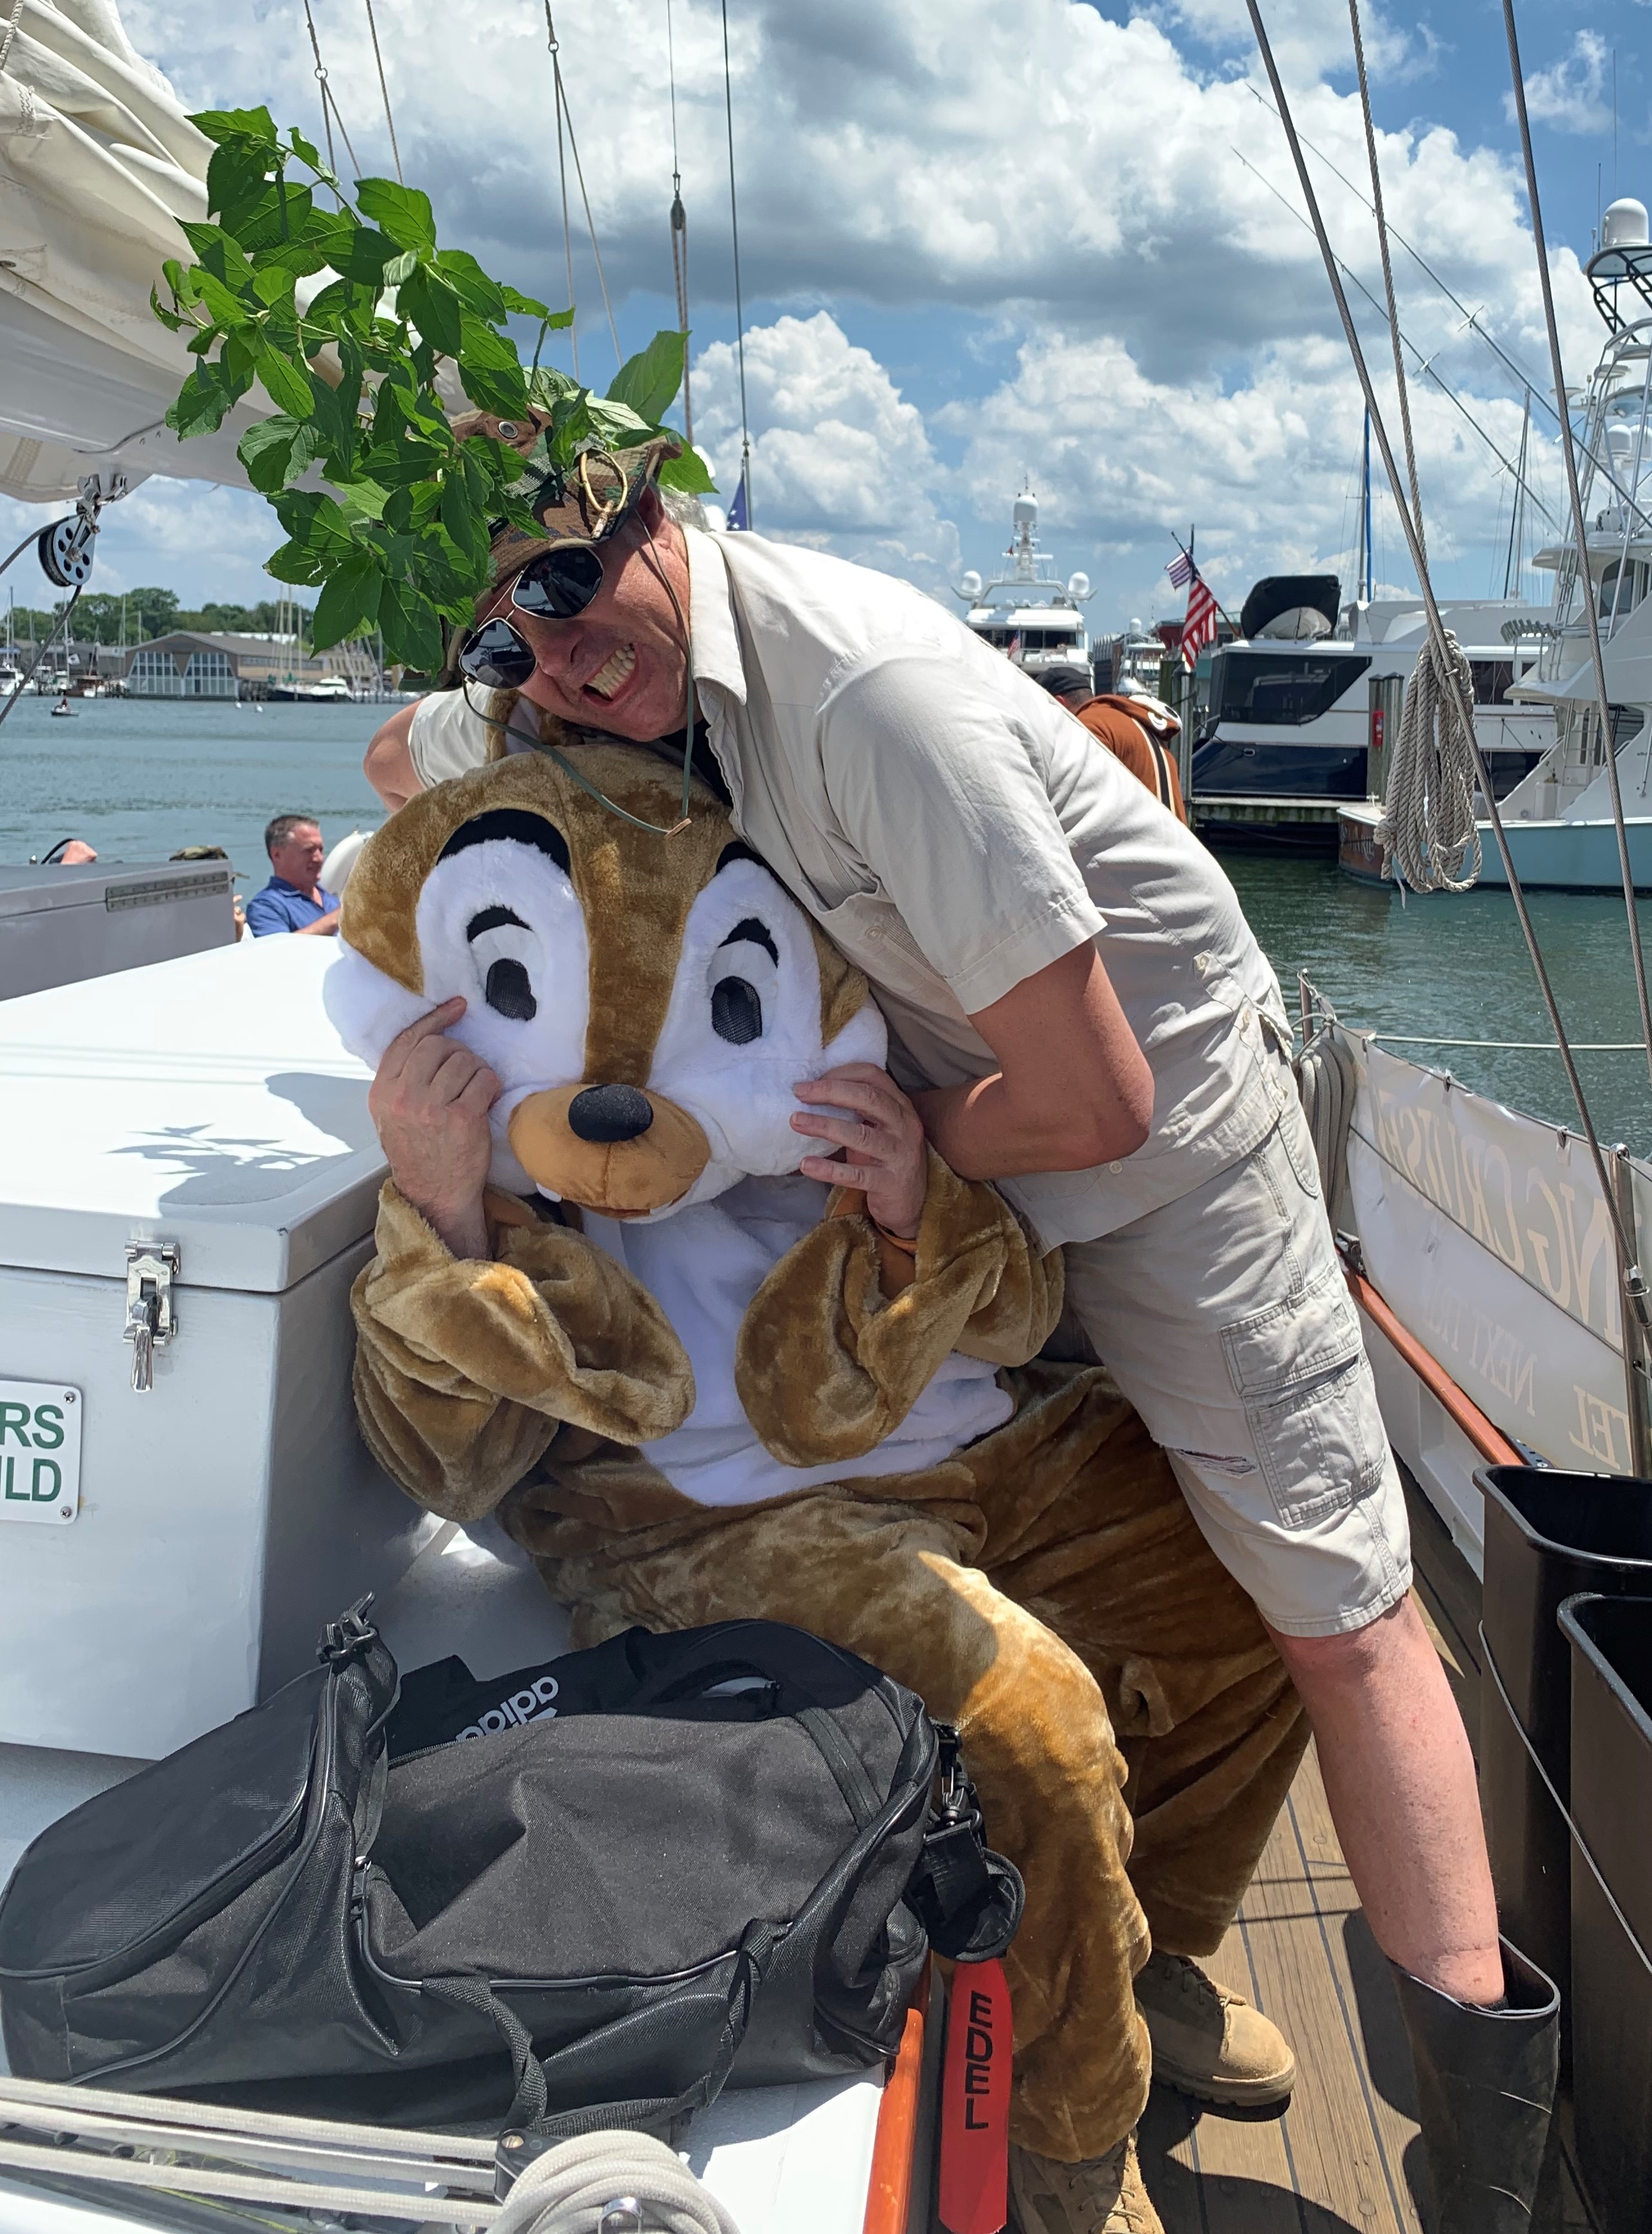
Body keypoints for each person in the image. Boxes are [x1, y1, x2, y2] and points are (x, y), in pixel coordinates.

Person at [361, 438, 1556, 2233]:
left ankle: (1473, 2165)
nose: (550, 659)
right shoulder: (590, 707)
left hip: (1138, 1155)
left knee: (1324, 1613)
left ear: (656, 514)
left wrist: (903, 1177)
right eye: (498, 643)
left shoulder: (875, 712)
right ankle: (1076, 2148)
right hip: (834, 1385)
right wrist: (450, 1163)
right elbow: (413, 763)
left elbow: (1093, 1096)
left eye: (559, 587)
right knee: (1040, 1713)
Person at [1035, 662, 1188, 824]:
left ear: (1059, 705)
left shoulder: (1087, 726)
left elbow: (1076, 802)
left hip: (1143, 844)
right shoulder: (1125, 720)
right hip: (1175, 843)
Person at [244, 814, 340, 937]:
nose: (319, 859)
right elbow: (277, 950)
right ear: (277, 855)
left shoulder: (329, 899)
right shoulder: (266, 907)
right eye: (309, 851)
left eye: (321, 850)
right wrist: (335, 920)